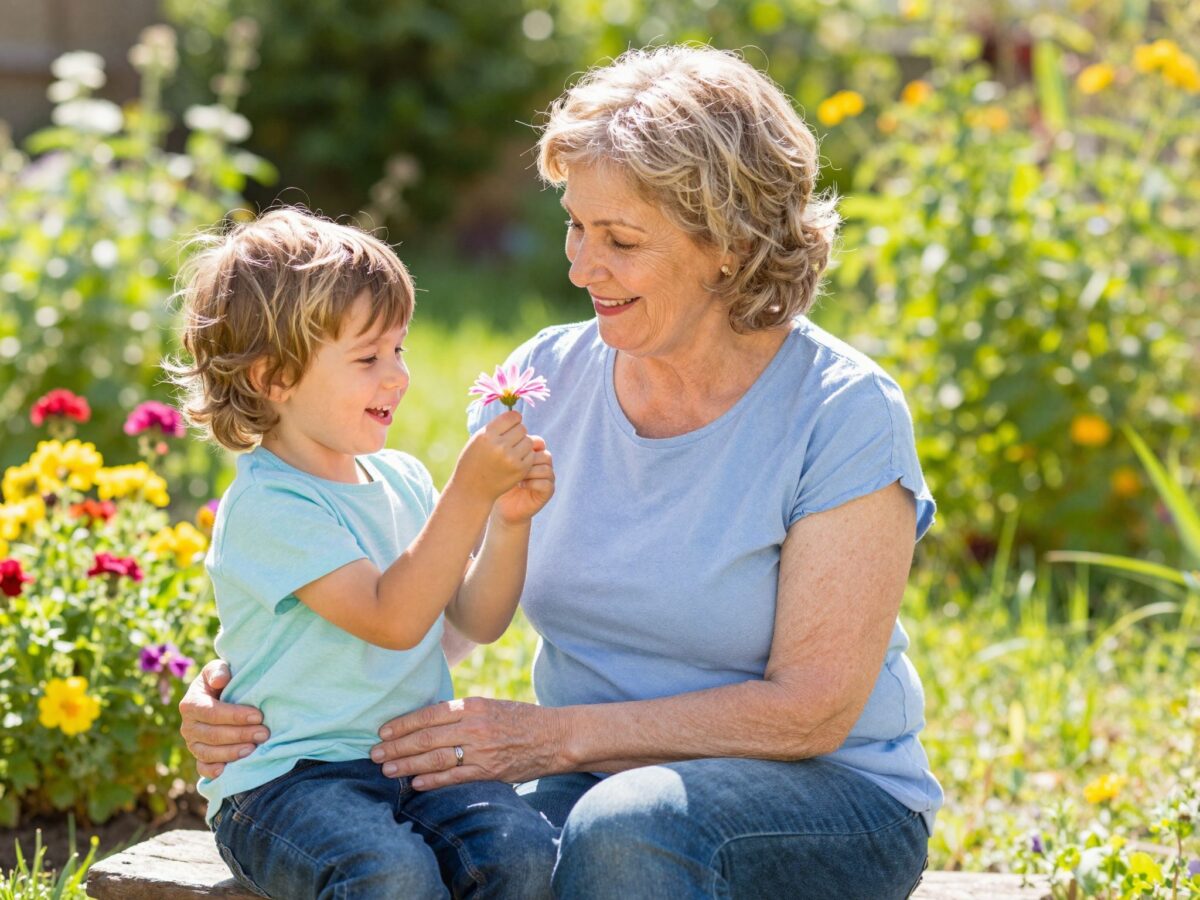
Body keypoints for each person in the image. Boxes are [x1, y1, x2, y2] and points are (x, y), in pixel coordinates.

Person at [181, 46, 941, 899]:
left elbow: (813, 710)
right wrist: (250, 692)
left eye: (620, 239)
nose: (581, 266)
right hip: (590, 783)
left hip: (824, 795)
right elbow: (437, 613)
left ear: (729, 244)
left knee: (628, 829)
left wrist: (560, 739)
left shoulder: (842, 412)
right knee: (505, 854)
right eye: (576, 226)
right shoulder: (537, 388)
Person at [168, 208, 557, 899]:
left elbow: (474, 619)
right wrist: (466, 496)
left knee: (521, 852)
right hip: (291, 783)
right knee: (389, 874)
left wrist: (507, 522)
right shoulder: (271, 505)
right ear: (274, 378)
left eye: (400, 350)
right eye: (368, 357)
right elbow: (392, 618)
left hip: (412, 761)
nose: (398, 377)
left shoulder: (401, 478)